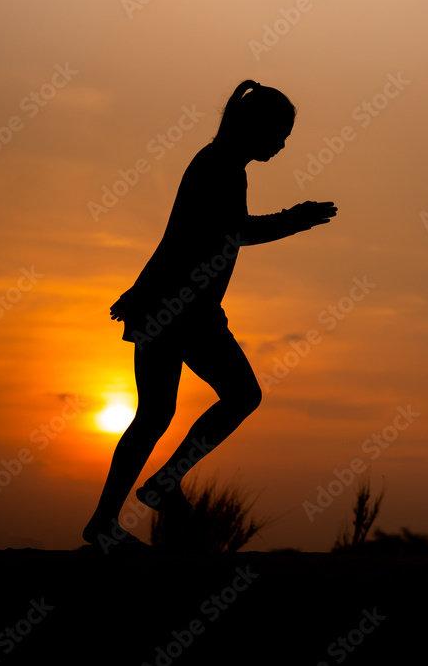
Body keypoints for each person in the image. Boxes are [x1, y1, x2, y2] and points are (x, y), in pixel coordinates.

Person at [83, 80, 336, 549]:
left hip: (168, 305)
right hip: (185, 311)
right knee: (239, 396)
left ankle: (106, 520)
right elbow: (231, 232)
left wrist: (139, 290)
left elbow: (178, 235)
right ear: (254, 127)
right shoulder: (220, 166)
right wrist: (293, 219)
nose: (282, 144)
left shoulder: (216, 162)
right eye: (278, 133)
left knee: (156, 414)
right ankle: (152, 490)